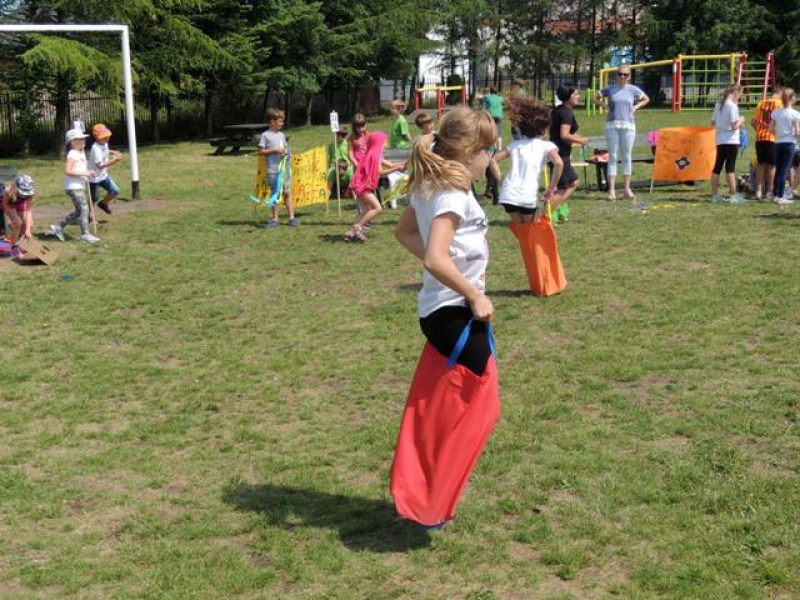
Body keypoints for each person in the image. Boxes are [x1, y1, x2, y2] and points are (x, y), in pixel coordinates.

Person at [391, 106, 499, 529]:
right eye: (488, 150)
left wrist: (451, 274)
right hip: (453, 312)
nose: (491, 158)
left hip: (441, 310)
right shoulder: (452, 193)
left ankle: (426, 495)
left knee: (447, 412)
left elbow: (405, 233)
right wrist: (472, 293)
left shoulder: (430, 185)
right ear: (470, 151)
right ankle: (430, 501)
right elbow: (435, 256)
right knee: (477, 412)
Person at [490, 96, 563, 223]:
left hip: (508, 194)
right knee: (533, 230)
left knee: (521, 230)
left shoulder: (515, 144)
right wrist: (551, 189)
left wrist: (501, 179)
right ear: (544, 129)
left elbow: (493, 160)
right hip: (527, 195)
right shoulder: (546, 146)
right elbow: (559, 163)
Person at [593, 65, 650, 201]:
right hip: (612, 125)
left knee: (626, 156)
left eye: (625, 74)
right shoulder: (610, 88)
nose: (622, 76)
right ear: (616, 75)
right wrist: (605, 106)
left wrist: (635, 107)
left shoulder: (633, 89)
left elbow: (646, 99)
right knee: (612, 156)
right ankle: (612, 191)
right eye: (620, 74)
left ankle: (626, 189)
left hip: (628, 125)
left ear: (629, 76)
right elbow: (594, 97)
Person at [343, 131, 405, 242]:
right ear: (379, 142)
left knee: (366, 211)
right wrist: (396, 168)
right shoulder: (374, 155)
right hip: (362, 187)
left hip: (361, 186)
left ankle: (350, 233)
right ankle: (357, 228)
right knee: (377, 208)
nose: (386, 144)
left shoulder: (374, 153)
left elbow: (390, 164)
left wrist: (402, 163)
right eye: (385, 142)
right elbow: (380, 171)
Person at [49, 128, 100, 244]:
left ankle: (58, 226)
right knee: (84, 209)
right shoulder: (72, 153)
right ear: (72, 142)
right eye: (80, 139)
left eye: (84, 139)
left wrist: (89, 172)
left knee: (79, 211)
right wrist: (84, 173)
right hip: (73, 187)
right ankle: (85, 235)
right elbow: (68, 170)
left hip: (78, 186)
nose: (84, 141)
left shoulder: (79, 153)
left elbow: (80, 169)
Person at [550, 85, 588, 223]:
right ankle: (546, 214)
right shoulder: (566, 113)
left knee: (571, 183)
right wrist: (580, 140)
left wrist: (579, 138)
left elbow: (564, 133)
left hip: (556, 153)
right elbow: (564, 135)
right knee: (566, 186)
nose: (579, 96)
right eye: (576, 94)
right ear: (568, 97)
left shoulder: (558, 110)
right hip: (560, 155)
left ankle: (554, 209)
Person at [258, 108, 297, 227]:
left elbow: (285, 148)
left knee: (287, 192)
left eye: (282, 121)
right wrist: (274, 150)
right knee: (275, 194)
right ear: (272, 121)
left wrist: (287, 152)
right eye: (280, 121)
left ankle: (292, 218)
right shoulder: (265, 135)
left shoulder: (282, 135)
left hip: (285, 170)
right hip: (273, 170)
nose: (282, 123)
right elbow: (261, 151)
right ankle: (275, 219)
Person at [710, 84, 746, 204]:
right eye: (740, 95)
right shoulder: (732, 106)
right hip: (731, 140)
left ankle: (714, 196)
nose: (739, 98)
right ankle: (733, 196)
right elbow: (734, 126)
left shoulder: (718, 104)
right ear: (736, 93)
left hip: (720, 140)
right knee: (730, 168)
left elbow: (713, 122)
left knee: (717, 168)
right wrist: (741, 119)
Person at [751, 86, 783, 201]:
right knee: (771, 166)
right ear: (780, 94)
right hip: (772, 138)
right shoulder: (780, 104)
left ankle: (759, 191)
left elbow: (753, 122)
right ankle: (769, 191)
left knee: (761, 165)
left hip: (760, 138)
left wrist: (758, 130)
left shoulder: (760, 104)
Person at [769, 87, 800, 204]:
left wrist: (779, 133)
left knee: (778, 169)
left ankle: (775, 194)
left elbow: (770, 128)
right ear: (792, 98)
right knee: (784, 170)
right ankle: (781, 196)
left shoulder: (776, 112)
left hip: (778, 143)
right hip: (789, 143)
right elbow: (797, 132)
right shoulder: (795, 114)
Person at [88, 123, 123, 214]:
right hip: (94, 178)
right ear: (96, 137)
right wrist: (115, 160)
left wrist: (113, 152)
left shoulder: (104, 144)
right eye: (104, 137)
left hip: (103, 175)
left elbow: (105, 150)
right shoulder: (95, 149)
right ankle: (90, 215)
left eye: (107, 136)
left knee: (115, 190)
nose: (107, 138)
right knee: (94, 198)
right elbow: (100, 165)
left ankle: (103, 203)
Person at [2, 174, 36, 257]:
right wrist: (13, 218)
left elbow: (28, 211)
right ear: (16, 188)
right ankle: (14, 249)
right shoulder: (8, 192)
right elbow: (5, 205)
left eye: (26, 194)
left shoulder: (30, 195)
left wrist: (27, 230)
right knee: (17, 223)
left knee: (28, 224)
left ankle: (18, 242)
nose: (25, 195)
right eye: (23, 193)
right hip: (8, 204)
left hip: (19, 203)